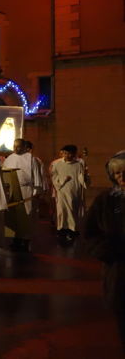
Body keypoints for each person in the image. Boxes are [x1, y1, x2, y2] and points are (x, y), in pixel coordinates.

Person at [84, 150, 125, 350]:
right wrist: (106, 251)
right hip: (119, 271)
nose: (122, 177)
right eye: (118, 173)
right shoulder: (106, 200)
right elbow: (90, 232)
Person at [3, 138, 44, 252]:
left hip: (27, 189)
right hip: (13, 189)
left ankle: (25, 240)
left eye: (19, 146)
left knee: (27, 214)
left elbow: (36, 174)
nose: (16, 148)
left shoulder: (30, 158)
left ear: (24, 147)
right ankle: (16, 238)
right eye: (14, 146)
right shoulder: (9, 158)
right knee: (15, 215)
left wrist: (36, 190)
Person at [51, 144, 88, 244]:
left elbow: (81, 179)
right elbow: (54, 177)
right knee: (61, 211)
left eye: (69, 154)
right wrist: (62, 181)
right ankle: (61, 228)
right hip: (62, 190)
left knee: (72, 209)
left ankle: (72, 229)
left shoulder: (78, 165)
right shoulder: (57, 164)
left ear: (74, 154)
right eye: (65, 153)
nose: (67, 155)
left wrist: (85, 176)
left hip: (74, 190)